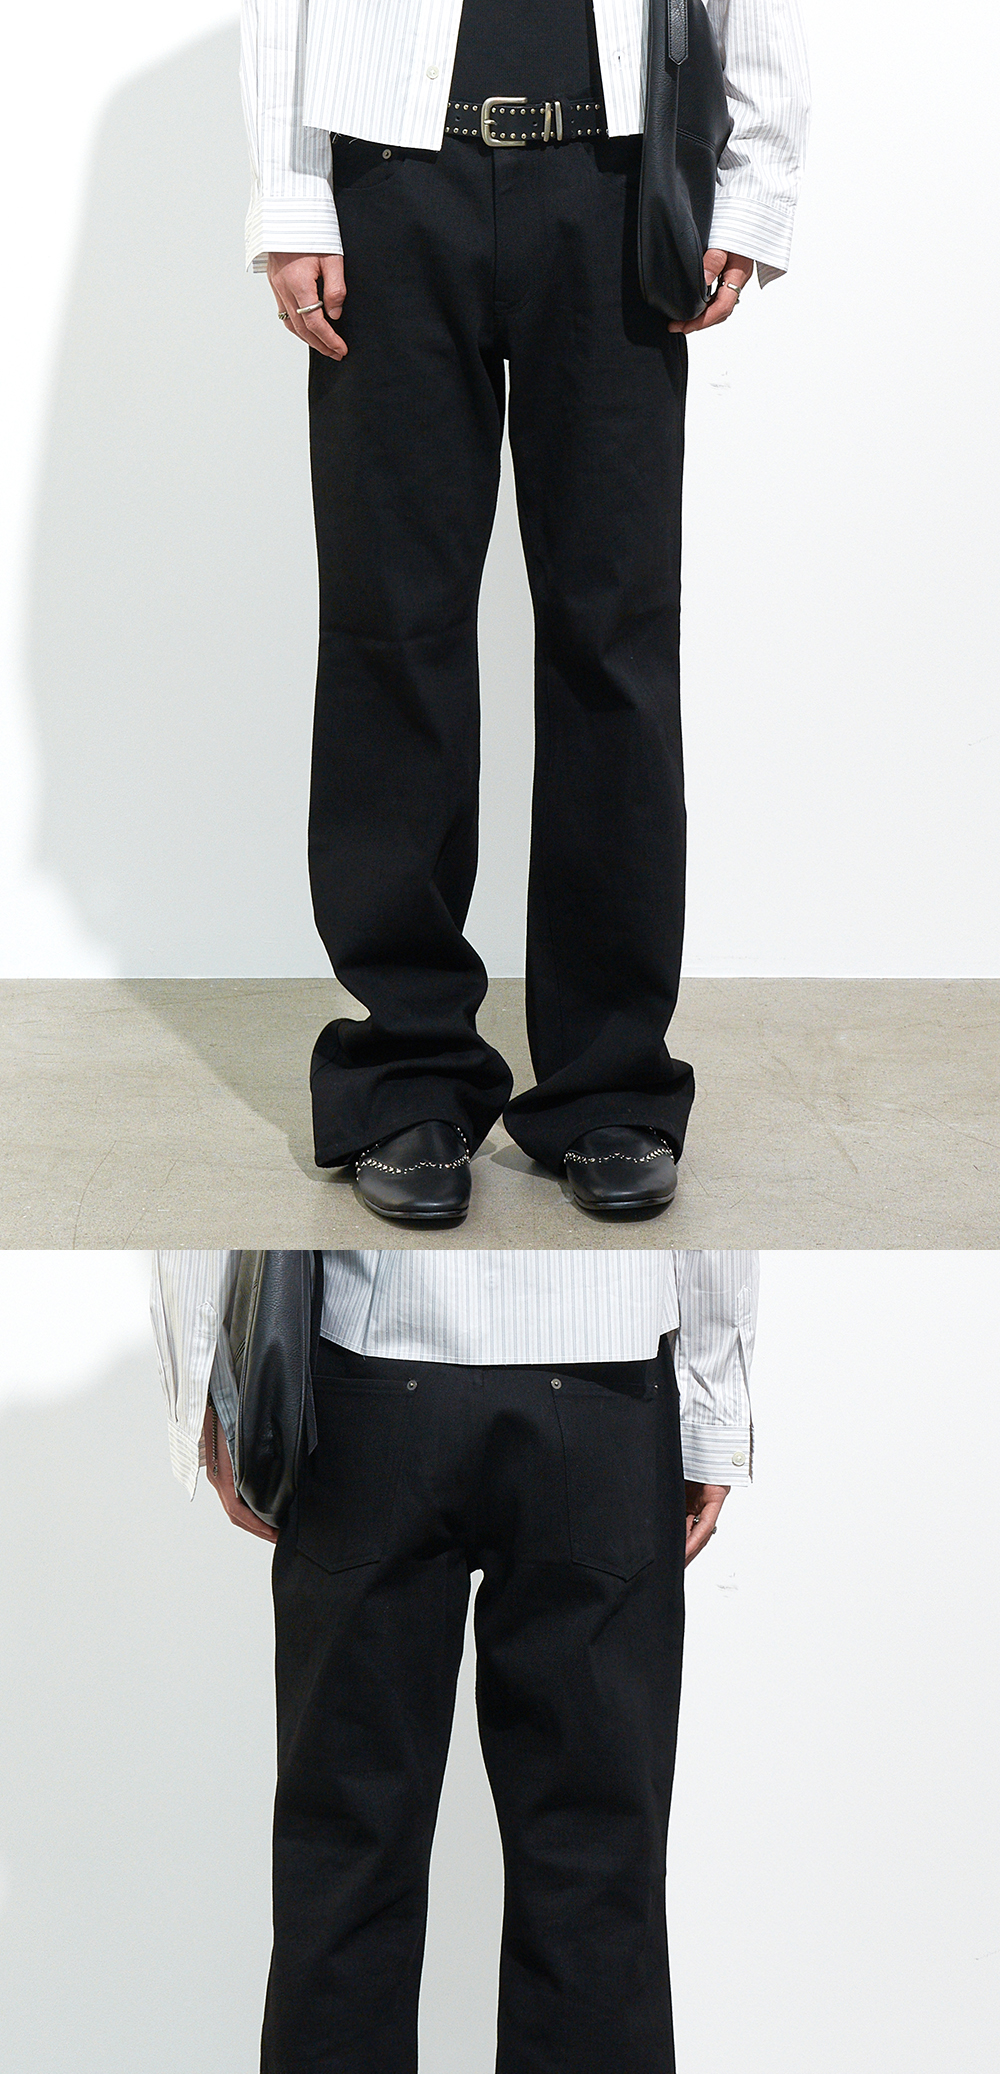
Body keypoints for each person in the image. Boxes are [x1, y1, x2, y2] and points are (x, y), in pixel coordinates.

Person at [151, 1245, 757, 2074]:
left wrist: (209, 1382)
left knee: (343, 1889)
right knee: (595, 1895)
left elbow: (210, 1197)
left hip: (374, 1382)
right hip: (603, 1389)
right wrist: (713, 1405)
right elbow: (699, 1189)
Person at [241, 0, 809, 1226]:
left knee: (614, 638)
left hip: (615, 186)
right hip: (390, 186)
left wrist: (755, 183)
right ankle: (407, 1074)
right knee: (392, 629)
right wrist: (291, 198)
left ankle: (611, 1084)